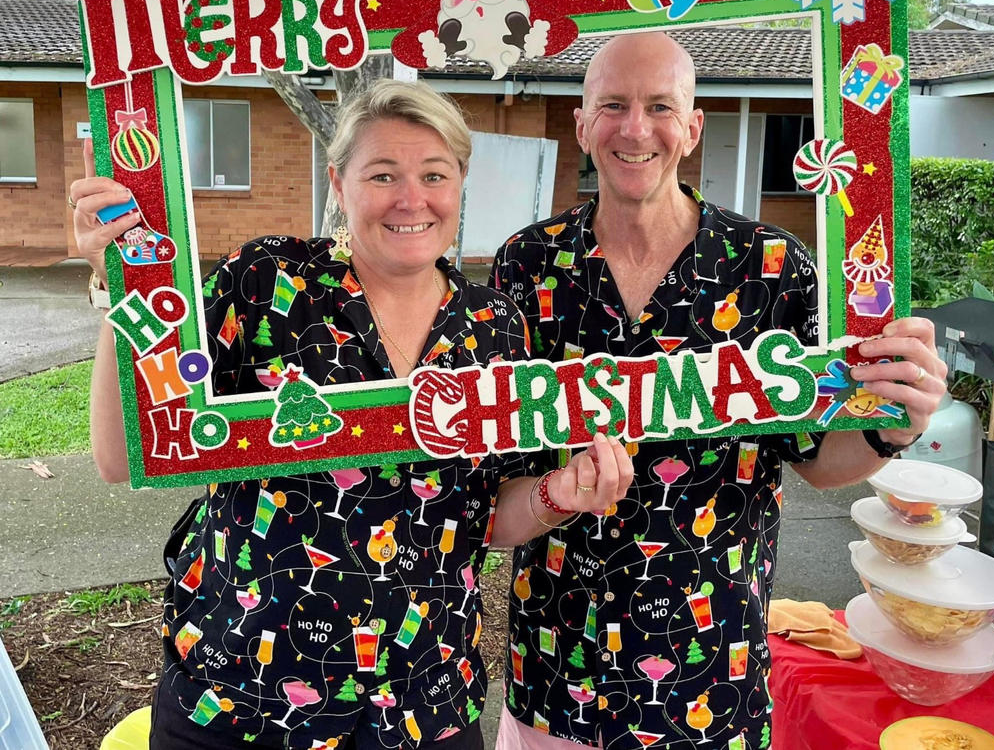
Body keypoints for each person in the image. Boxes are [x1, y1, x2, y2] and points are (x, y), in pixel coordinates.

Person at [69, 79, 633, 750]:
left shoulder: (494, 327)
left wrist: (555, 494)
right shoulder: (266, 283)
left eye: (434, 174)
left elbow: (489, 520)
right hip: (240, 699)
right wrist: (121, 282)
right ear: (339, 183)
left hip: (422, 705)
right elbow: (123, 451)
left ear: (459, 184)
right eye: (383, 174)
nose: (410, 198)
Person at [490, 32, 948, 749]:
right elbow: (500, 462)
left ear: (693, 126)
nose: (635, 128)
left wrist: (889, 424)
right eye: (612, 105)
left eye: (659, 106)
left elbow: (814, 456)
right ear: (581, 122)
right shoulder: (524, 266)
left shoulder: (771, 270)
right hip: (555, 669)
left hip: (708, 680)